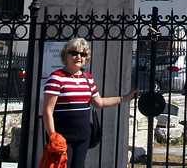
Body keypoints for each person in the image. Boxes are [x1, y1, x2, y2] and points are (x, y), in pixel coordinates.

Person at [42, 37, 138, 168]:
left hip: (83, 136)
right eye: (74, 53)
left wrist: (124, 98)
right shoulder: (56, 77)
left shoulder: (87, 77)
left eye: (83, 54)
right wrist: (53, 136)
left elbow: (99, 102)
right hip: (63, 137)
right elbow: (48, 111)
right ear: (66, 55)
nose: (79, 57)